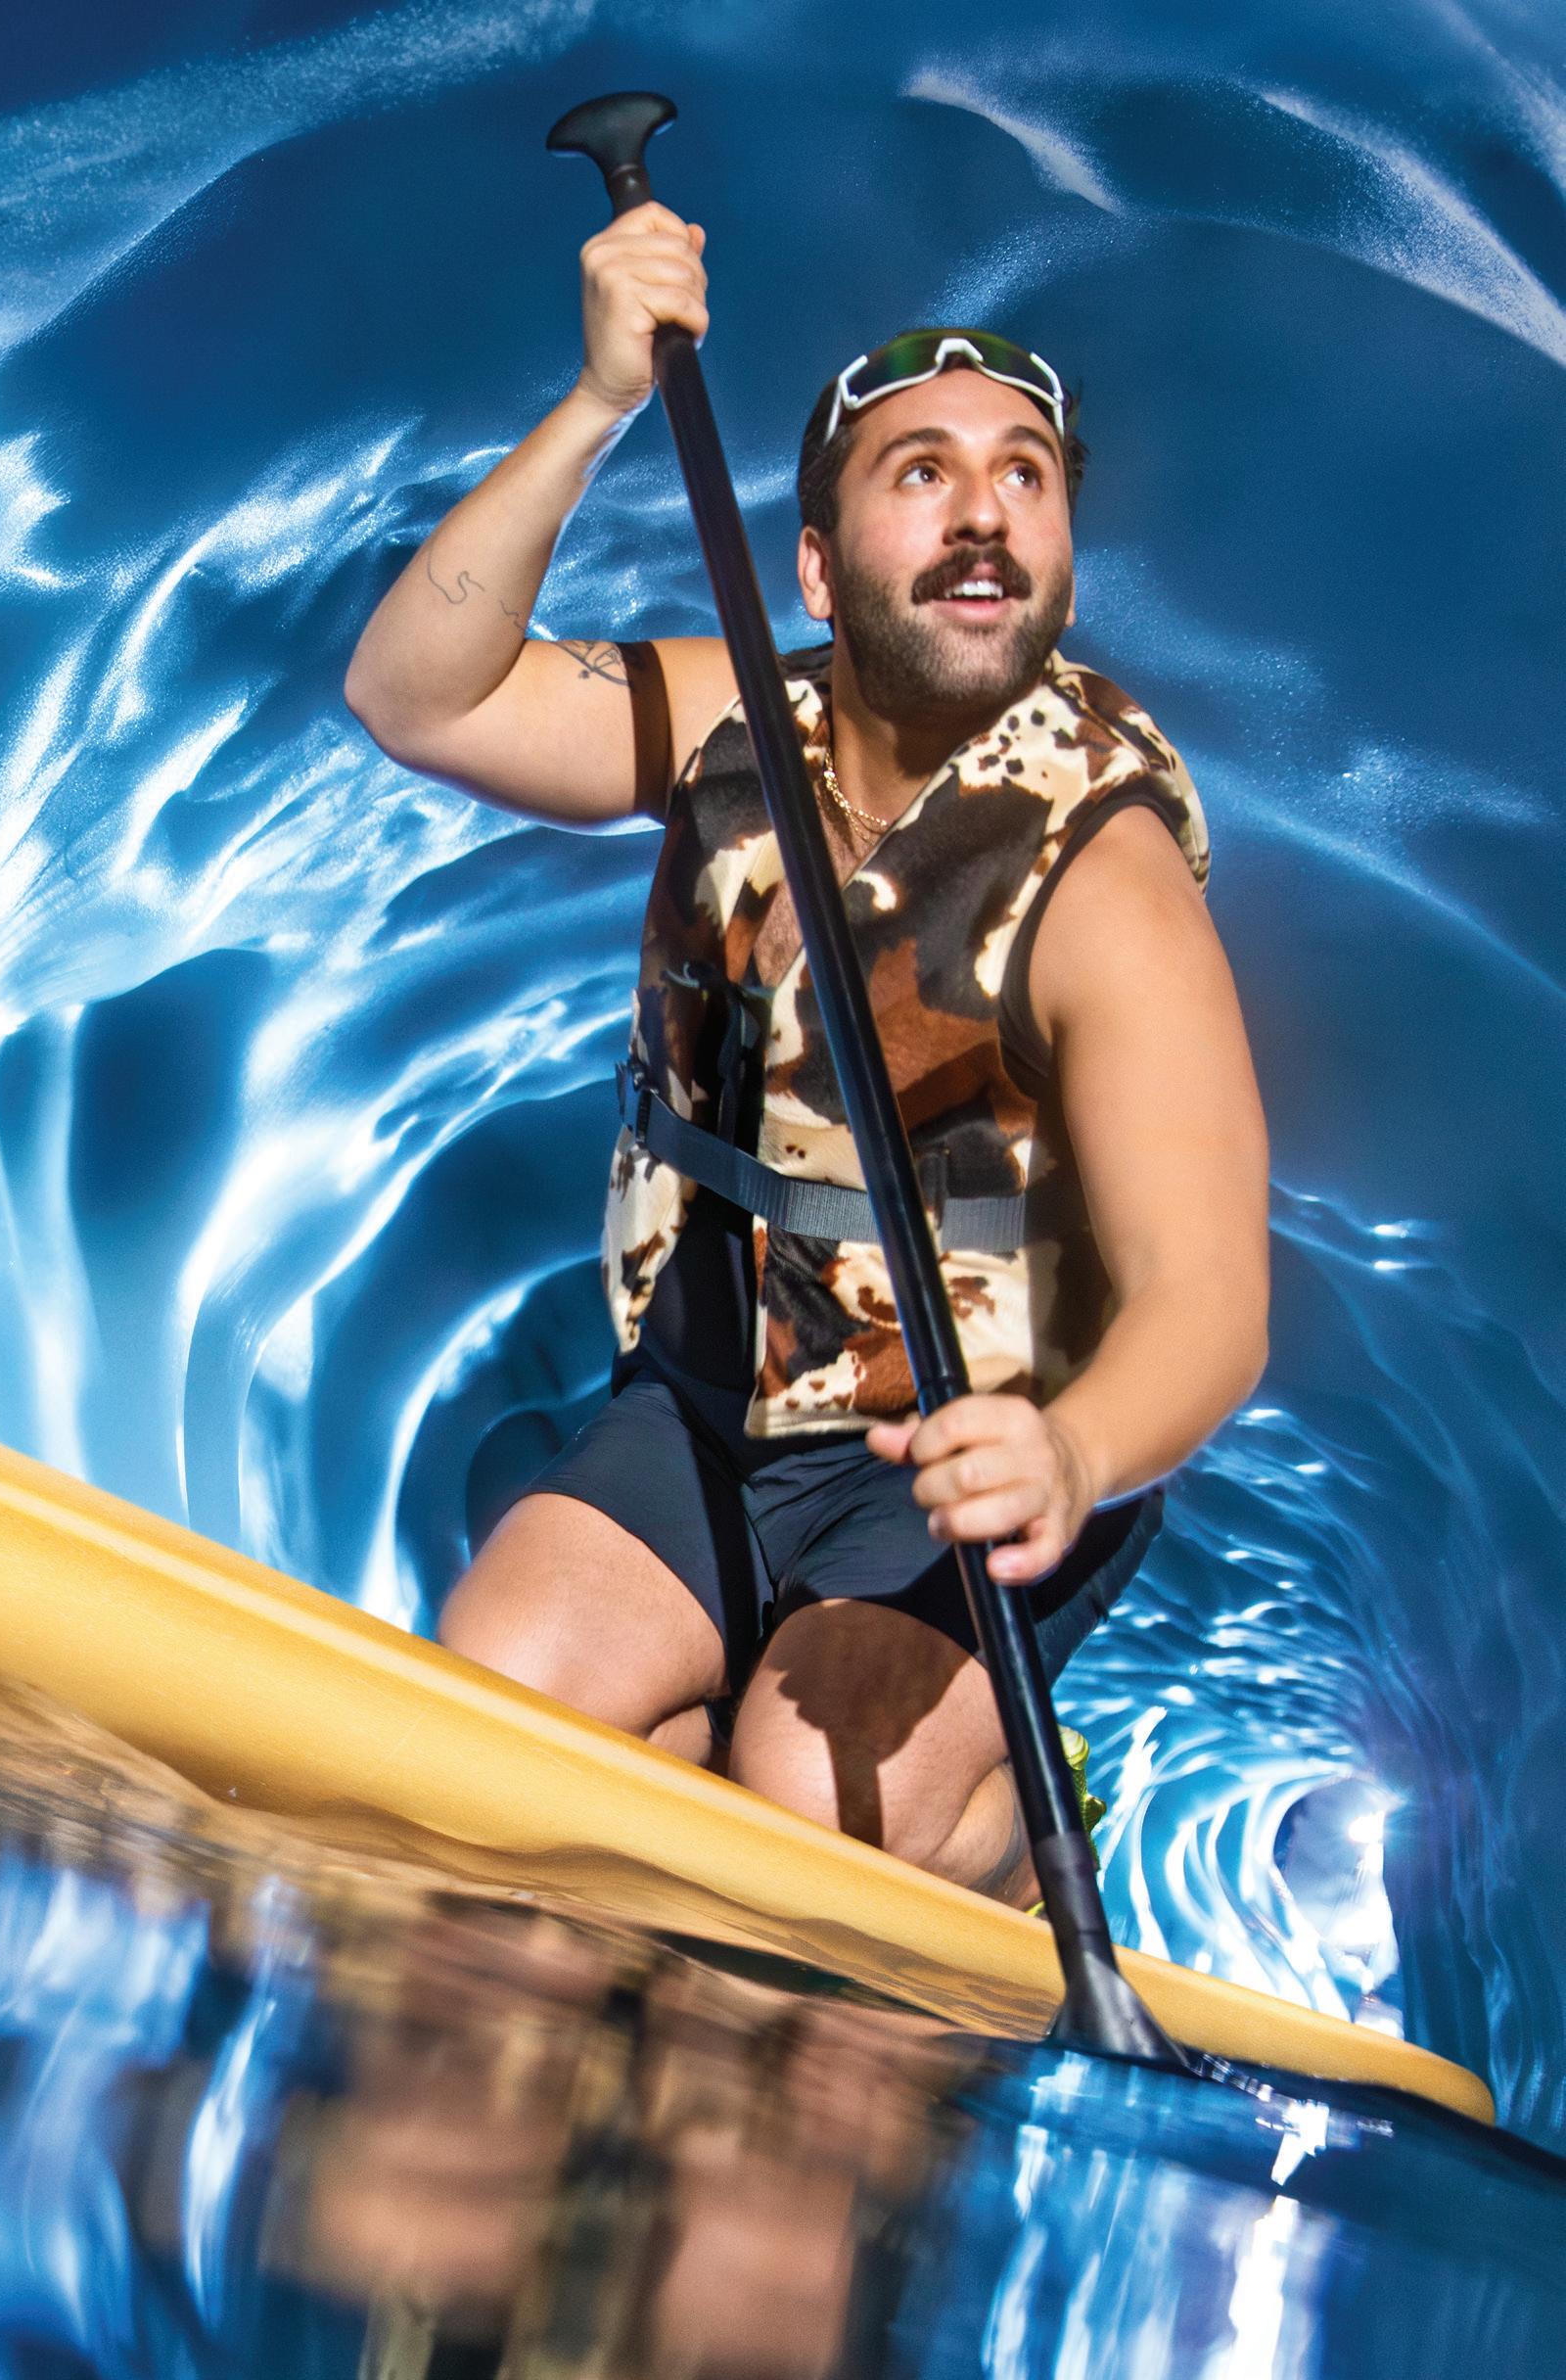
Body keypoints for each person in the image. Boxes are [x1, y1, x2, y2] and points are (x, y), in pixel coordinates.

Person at [344, 205, 1268, 1910]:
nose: (985, 510)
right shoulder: (744, 722)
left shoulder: (1106, 880)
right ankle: (682, 1730)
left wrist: (1069, 1457)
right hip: (716, 1393)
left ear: (1061, 562)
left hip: (974, 1442)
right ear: (823, 576)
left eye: (1025, 476)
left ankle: (999, 1835)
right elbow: (419, 698)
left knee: (820, 1811)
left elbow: (1209, 1303)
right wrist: (596, 404)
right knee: (496, 1717)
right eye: (924, 472)